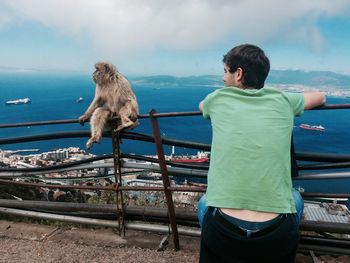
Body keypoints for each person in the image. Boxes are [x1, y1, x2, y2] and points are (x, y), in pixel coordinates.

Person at [198, 44, 326, 263]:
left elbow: (202, 107)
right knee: (295, 199)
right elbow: (321, 97)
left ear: (238, 74)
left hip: (223, 228)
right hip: (276, 231)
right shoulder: (284, 100)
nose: (223, 78)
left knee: (204, 203)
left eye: (225, 72)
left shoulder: (217, 99)